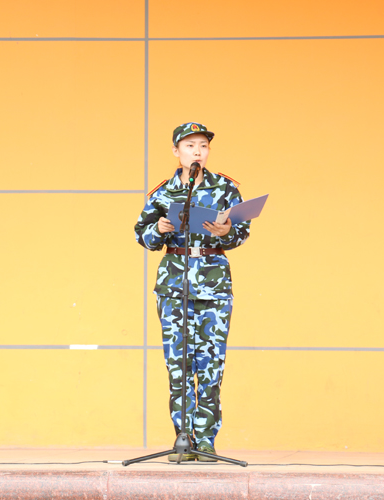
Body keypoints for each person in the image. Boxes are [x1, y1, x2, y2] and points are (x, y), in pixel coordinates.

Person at [134, 122, 251, 462]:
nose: (197, 151)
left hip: (213, 283)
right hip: (174, 284)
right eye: (190, 146)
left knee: (211, 365)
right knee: (179, 365)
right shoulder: (163, 192)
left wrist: (227, 232)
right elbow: (143, 236)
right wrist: (159, 228)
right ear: (176, 151)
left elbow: (242, 232)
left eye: (203, 145)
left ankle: (206, 441)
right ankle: (183, 439)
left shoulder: (225, 188)